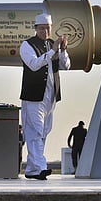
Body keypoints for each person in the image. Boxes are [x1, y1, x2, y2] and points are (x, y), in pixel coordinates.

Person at [20, 13, 71, 180]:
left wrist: (62, 51)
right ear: (35, 29)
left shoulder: (52, 44)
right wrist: (52, 51)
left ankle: (32, 169)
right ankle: (41, 167)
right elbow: (34, 65)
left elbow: (66, 66)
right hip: (34, 95)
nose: (45, 31)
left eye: (47, 28)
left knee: (44, 131)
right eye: (42, 28)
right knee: (34, 130)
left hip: (51, 95)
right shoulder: (27, 45)